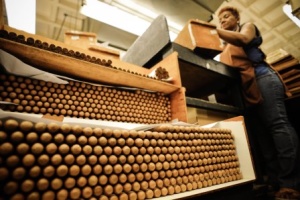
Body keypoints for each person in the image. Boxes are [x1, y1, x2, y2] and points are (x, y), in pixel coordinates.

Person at [216, 6, 300, 200]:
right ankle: (274, 181)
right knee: (261, 136)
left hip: (262, 78)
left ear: (237, 19)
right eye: (219, 20)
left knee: (277, 126)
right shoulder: (225, 47)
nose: (222, 21)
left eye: (226, 17)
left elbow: (244, 40)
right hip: (246, 89)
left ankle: (291, 183)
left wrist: (210, 31)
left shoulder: (247, 27)